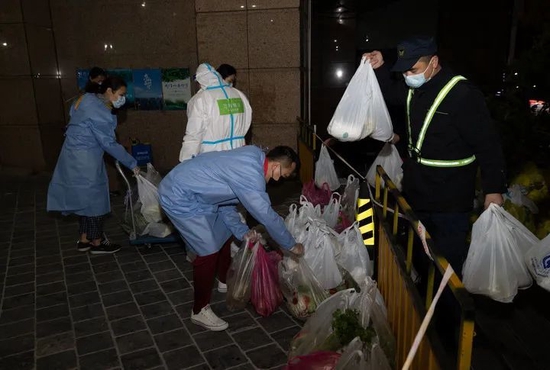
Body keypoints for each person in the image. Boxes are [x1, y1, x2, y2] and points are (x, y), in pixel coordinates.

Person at [363, 36, 507, 275]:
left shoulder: (462, 94)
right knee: (420, 255)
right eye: (405, 72)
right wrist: (380, 66)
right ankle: (424, 305)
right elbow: (389, 92)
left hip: (450, 196)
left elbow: (488, 144)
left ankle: (448, 311)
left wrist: (494, 189)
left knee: (447, 265)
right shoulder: (413, 88)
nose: (409, 76)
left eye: (414, 69)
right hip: (418, 191)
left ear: (434, 62)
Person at [159, 145, 304, 331]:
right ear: (276, 166)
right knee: (208, 250)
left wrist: (241, 231)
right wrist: (291, 245)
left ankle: (224, 281)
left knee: (223, 232)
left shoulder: (253, 157)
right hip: (179, 196)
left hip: (197, 195)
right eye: (282, 174)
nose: (278, 179)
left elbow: (225, 200)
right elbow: (267, 216)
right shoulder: (252, 175)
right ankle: (199, 310)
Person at [48, 76, 140, 254]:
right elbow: (108, 143)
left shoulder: (85, 99)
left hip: (71, 156)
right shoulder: (99, 111)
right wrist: (132, 163)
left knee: (83, 198)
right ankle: (97, 242)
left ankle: (84, 240)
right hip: (86, 159)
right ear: (109, 91)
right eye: (121, 94)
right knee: (95, 200)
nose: (122, 98)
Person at [179, 63, 252, 162]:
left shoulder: (202, 98)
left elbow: (194, 134)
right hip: (238, 153)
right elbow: (247, 122)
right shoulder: (239, 95)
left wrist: (186, 160)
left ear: (200, 81)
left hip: (212, 156)